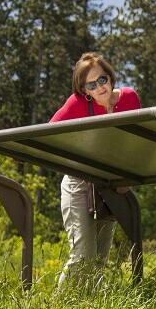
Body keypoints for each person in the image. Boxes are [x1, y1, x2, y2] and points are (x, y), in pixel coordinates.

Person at [50, 52, 141, 288]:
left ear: (110, 77)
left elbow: (137, 141)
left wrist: (127, 176)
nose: (100, 86)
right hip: (79, 182)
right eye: (92, 84)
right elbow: (48, 133)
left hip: (109, 184)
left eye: (103, 79)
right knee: (82, 256)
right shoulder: (77, 103)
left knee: (100, 259)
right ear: (84, 89)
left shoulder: (129, 98)